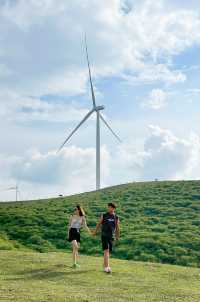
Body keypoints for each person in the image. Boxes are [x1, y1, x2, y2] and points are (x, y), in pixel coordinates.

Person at [93, 202, 120, 273]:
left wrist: (117, 236)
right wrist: (95, 232)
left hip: (111, 236)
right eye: (108, 207)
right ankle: (107, 267)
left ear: (113, 208)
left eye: (110, 207)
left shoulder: (116, 217)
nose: (108, 208)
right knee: (106, 250)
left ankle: (105, 265)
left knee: (108, 251)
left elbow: (117, 227)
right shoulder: (104, 215)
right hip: (104, 235)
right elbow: (99, 224)